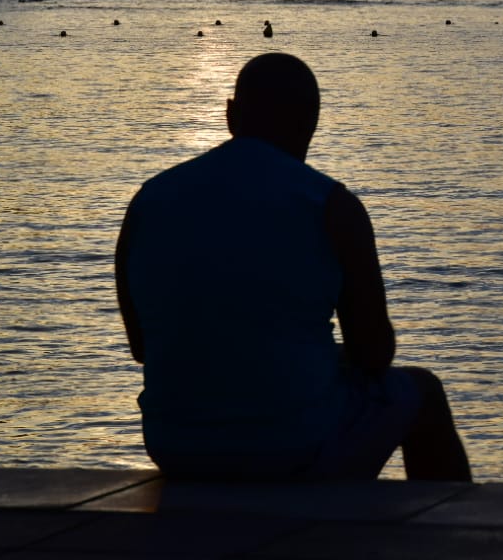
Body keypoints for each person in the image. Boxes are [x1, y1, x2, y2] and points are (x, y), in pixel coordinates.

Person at [115, 52, 471, 482]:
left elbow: (142, 347)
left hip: (175, 445)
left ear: (231, 115)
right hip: (291, 446)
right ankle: (446, 541)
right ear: (312, 122)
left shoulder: (149, 200)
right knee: (424, 393)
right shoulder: (331, 206)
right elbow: (374, 355)